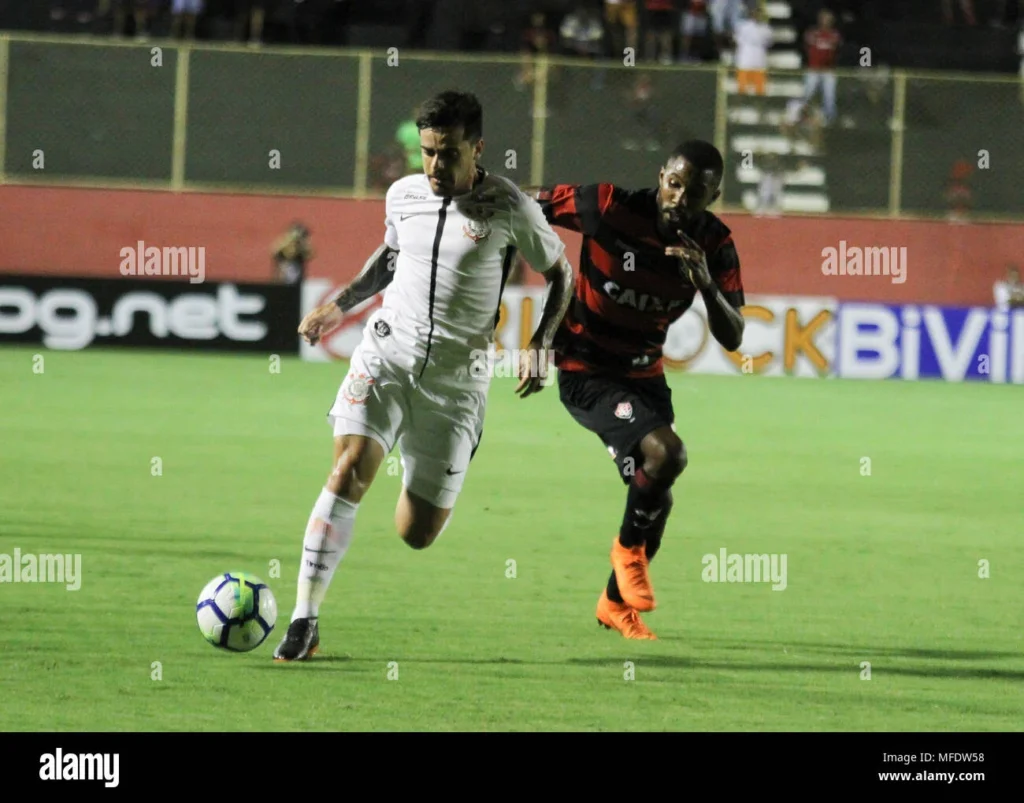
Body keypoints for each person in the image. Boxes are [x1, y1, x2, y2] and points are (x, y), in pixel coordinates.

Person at [272, 91, 575, 661]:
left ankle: (423, 458)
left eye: (449, 153)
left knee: (417, 532)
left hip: (457, 383)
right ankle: (304, 620)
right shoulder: (404, 194)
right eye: (429, 152)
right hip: (386, 354)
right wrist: (339, 305)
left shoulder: (508, 206)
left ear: (478, 148)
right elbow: (390, 258)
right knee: (348, 471)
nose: (435, 166)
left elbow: (563, 275)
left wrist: (542, 344)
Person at [530, 140, 745, 640]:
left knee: (657, 502)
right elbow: (525, 207)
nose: (678, 199)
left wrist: (706, 283)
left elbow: (734, 335)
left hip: (644, 377)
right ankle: (627, 553)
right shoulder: (608, 207)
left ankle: (612, 603)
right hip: (587, 371)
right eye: (674, 184)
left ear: (712, 197)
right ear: (661, 176)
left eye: (694, 194)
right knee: (667, 454)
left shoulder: (714, 244)